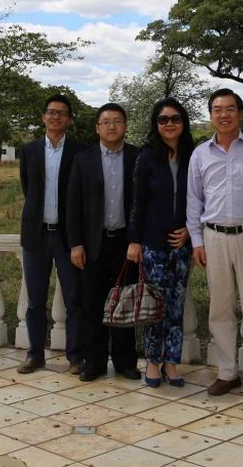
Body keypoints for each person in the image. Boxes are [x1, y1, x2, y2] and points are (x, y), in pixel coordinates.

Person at [187, 88, 243, 400]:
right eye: (218, 109)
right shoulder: (200, 154)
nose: (224, 114)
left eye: (230, 108)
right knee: (220, 308)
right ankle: (226, 372)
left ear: (240, 113)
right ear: (210, 115)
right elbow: (193, 201)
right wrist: (197, 240)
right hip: (214, 238)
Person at [66, 102, 141, 382]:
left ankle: (125, 362)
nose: (112, 126)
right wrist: (76, 244)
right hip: (92, 245)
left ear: (125, 126)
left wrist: (137, 240)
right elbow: (73, 205)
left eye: (117, 121)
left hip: (125, 244)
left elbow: (141, 203)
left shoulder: (136, 157)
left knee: (124, 304)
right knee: (92, 305)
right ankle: (94, 362)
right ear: (97, 128)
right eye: (106, 122)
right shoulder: (82, 160)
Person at [17, 94, 87, 375]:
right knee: (35, 301)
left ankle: (76, 357)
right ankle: (35, 355)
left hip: (68, 237)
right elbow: (28, 189)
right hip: (36, 237)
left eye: (62, 113)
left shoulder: (81, 152)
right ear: (43, 117)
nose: (56, 116)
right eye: (51, 112)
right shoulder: (29, 151)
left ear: (69, 120)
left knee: (74, 300)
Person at [127, 97, 194, 388]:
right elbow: (137, 202)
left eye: (175, 118)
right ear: (156, 124)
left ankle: (171, 362)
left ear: (183, 123)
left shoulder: (193, 155)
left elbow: (201, 199)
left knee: (176, 306)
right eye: (163, 119)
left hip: (182, 245)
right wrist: (134, 241)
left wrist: (190, 230)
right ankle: (153, 362)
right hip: (153, 244)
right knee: (153, 307)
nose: (169, 124)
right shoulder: (147, 156)